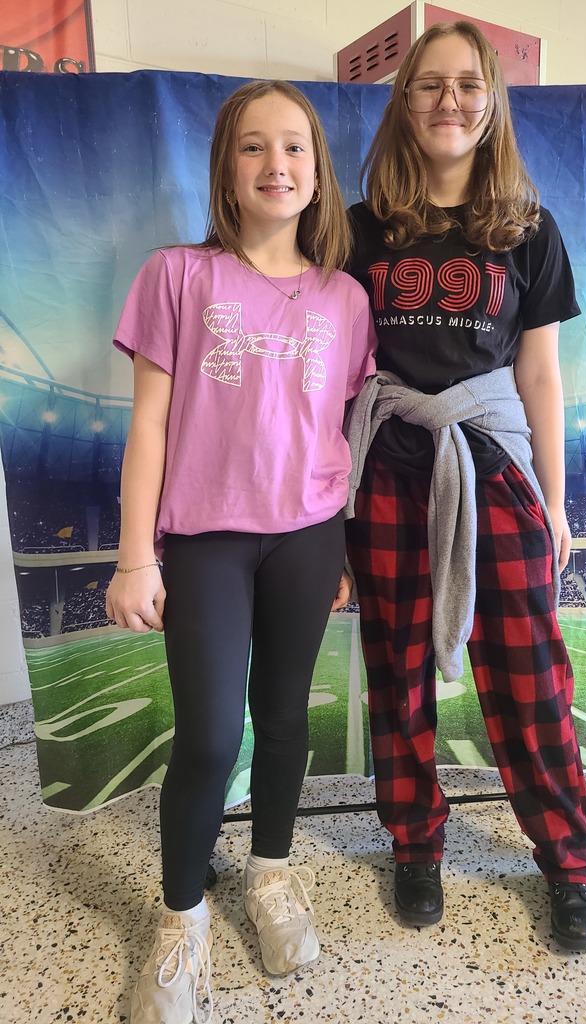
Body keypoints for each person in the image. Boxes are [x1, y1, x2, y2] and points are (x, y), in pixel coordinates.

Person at [106, 80, 376, 1023]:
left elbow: (334, 428)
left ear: (318, 170)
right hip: (206, 543)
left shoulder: (346, 298)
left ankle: (269, 873)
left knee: (287, 719)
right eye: (255, 147)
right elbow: (148, 426)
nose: (277, 165)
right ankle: (180, 922)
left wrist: (337, 545)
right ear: (227, 165)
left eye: (295, 148)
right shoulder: (177, 275)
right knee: (214, 733)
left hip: (307, 540)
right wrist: (137, 554)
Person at [343, 21, 586, 952]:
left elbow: (540, 375)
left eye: (467, 85)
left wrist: (557, 501)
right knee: (398, 669)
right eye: (428, 86)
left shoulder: (528, 229)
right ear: (403, 102)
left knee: (529, 674)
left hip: (495, 471)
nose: (448, 101)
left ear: (490, 103)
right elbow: (334, 372)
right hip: (388, 470)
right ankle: (416, 842)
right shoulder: (357, 227)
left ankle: (570, 860)